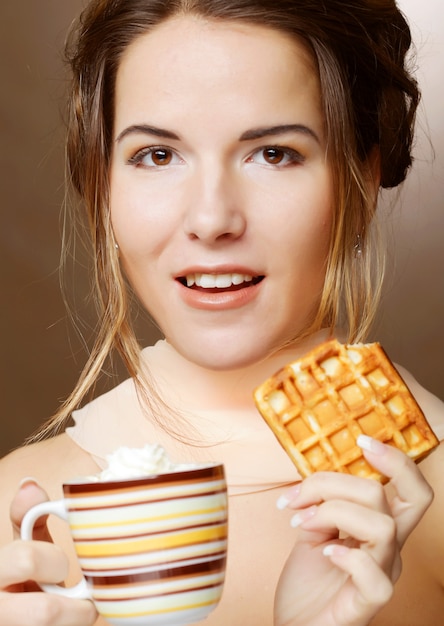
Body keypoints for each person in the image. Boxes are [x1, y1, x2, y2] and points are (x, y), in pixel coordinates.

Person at [0, 0, 442, 624]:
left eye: (273, 154)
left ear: (360, 180)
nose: (211, 220)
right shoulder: (16, 515)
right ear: (102, 186)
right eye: (157, 155)